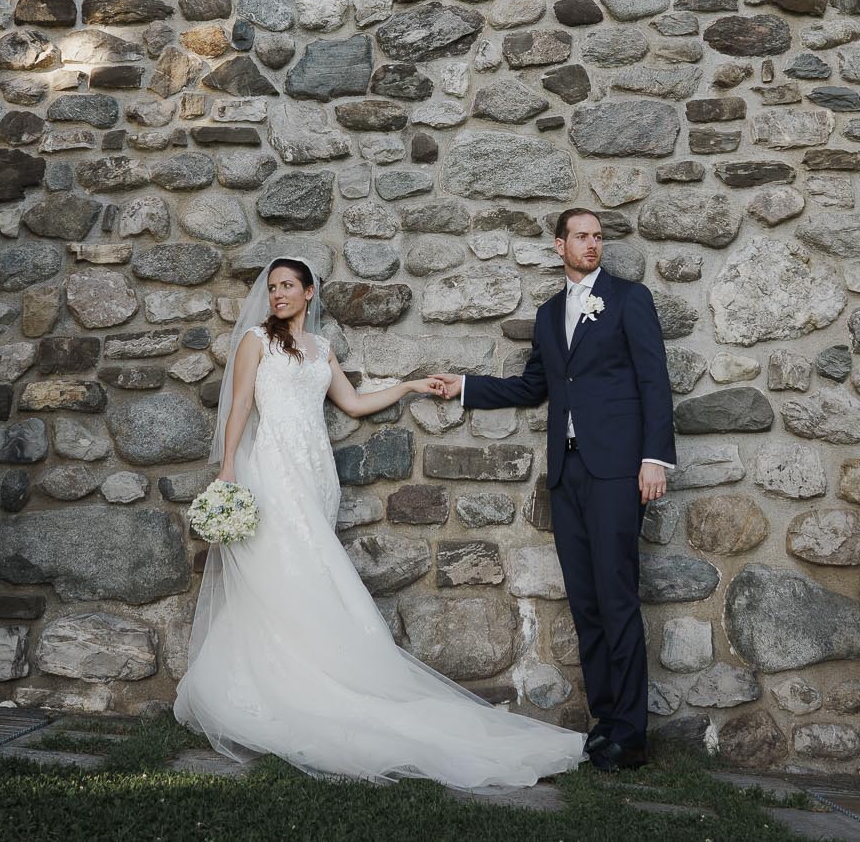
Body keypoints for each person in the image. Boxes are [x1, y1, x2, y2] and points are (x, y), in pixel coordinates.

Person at [174, 257, 587, 789]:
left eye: (286, 286)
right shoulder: (257, 340)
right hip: (269, 467)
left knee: (307, 572)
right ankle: (273, 686)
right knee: (281, 571)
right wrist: (230, 465)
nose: (277, 294)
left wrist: (411, 386)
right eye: (272, 287)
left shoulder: (322, 350)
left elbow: (354, 403)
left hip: (315, 470)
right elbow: (240, 405)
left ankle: (314, 676)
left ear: (308, 292)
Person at [431, 208, 676, 771]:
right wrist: (464, 387)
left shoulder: (628, 298)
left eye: (598, 237)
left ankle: (632, 735)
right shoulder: (547, 314)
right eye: (582, 237)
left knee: (617, 597)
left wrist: (654, 459)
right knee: (586, 603)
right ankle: (604, 721)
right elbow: (534, 384)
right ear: (559, 244)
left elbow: (653, 380)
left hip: (618, 470)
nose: (593, 246)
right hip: (566, 473)